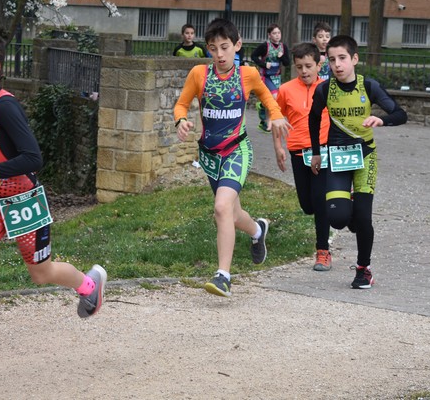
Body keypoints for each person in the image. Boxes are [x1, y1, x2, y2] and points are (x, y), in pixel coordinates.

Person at [0, 23, 107, 387]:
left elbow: (32, 158)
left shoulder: (6, 107)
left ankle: (89, 286)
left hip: (22, 202)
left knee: (41, 273)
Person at [173, 18, 290, 297]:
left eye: (225, 47)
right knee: (233, 214)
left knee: (221, 208)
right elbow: (181, 104)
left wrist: (275, 116)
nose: (220, 55)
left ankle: (223, 275)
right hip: (209, 155)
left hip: (237, 150)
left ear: (237, 45)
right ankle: (258, 231)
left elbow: (267, 97)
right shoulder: (199, 75)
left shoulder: (248, 74)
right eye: (213, 49)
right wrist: (180, 121)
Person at [308, 35, 407, 289]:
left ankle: (364, 270)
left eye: (342, 58)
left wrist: (381, 120)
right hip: (337, 158)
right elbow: (314, 118)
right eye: (331, 60)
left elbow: (400, 113)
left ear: (354, 59)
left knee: (364, 218)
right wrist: (317, 153)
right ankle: (350, 209)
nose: (337, 65)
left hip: (364, 157)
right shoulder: (324, 89)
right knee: (338, 218)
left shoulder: (369, 86)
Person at [272, 42, 333, 271]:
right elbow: (277, 119)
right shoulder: (286, 90)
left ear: (319, 64)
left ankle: (323, 251)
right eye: (299, 67)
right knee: (307, 205)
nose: (304, 71)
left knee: (320, 200)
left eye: (309, 66)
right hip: (297, 152)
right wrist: (278, 146)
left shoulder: (329, 88)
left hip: (323, 151)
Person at [250, 23, 290, 132]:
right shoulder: (265, 46)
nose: (277, 35)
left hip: (277, 76)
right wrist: (263, 64)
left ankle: (262, 108)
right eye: (274, 33)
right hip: (266, 76)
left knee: (272, 100)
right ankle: (269, 122)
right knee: (274, 97)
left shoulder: (283, 47)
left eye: (278, 33)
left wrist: (282, 57)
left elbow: (287, 63)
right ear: (269, 35)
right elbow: (253, 56)